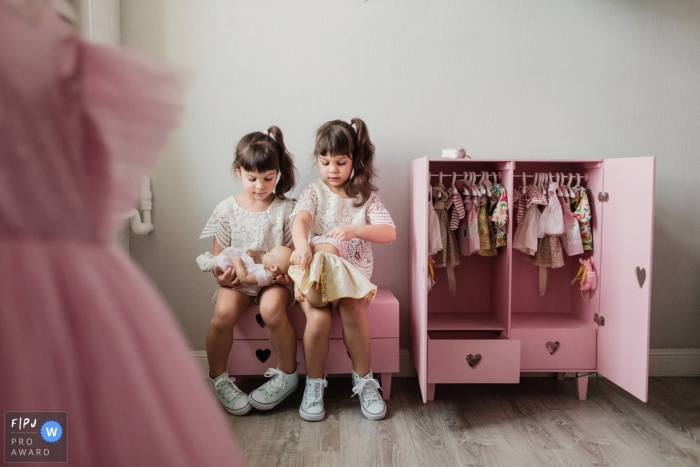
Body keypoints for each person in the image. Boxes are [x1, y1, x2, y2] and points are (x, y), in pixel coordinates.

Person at [0, 2, 245, 465]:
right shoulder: (52, 26)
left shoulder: (45, 27)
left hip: (64, 265)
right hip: (71, 263)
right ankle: (221, 378)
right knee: (45, 423)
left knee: (40, 424)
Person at [290, 118, 396, 422]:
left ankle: (364, 381)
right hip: (315, 274)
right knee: (319, 312)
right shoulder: (315, 192)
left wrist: (354, 229)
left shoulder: (364, 198)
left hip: (352, 273)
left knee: (351, 308)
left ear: (355, 161)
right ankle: (313, 383)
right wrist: (300, 246)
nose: (332, 169)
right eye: (325, 162)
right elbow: (301, 221)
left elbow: (389, 232)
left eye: (340, 162)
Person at [200, 127, 300, 414]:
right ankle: (218, 379)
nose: (260, 185)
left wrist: (284, 273)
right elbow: (218, 258)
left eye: (268, 178)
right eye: (252, 178)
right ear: (238, 172)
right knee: (222, 314)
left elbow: (293, 254)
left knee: (271, 309)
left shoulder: (285, 209)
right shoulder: (226, 210)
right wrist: (222, 275)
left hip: (272, 280)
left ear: (278, 173)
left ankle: (286, 375)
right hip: (238, 281)